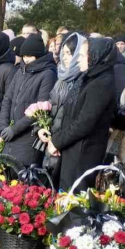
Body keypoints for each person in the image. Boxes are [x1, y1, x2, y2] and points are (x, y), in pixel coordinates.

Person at [42, 37, 118, 192]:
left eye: (83, 56)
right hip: (72, 148)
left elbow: (85, 122)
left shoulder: (102, 82)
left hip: (84, 152)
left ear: (96, 56)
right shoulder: (88, 77)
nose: (78, 60)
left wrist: (57, 141)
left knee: (75, 198)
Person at [0, 33, 57, 166]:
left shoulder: (47, 74)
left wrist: (15, 129)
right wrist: (3, 127)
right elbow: (7, 99)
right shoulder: (20, 71)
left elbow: (41, 109)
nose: (26, 59)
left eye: (30, 56)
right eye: (24, 55)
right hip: (10, 135)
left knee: (24, 178)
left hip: (28, 137)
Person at [41, 33, 86, 185]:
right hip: (51, 143)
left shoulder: (82, 81)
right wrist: (40, 128)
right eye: (64, 52)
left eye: (70, 53)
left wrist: (59, 142)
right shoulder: (60, 78)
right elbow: (49, 105)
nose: (65, 57)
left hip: (66, 146)